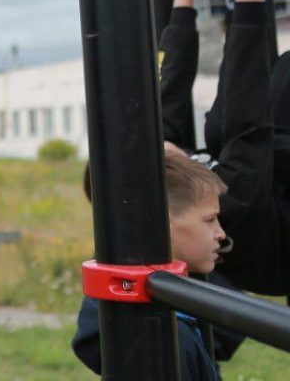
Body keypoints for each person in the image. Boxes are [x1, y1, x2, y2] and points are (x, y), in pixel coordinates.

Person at [156, 0, 288, 295]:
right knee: (249, 116)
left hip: (269, 198)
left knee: (219, 128)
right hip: (279, 257)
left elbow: (171, 85)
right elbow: (248, 110)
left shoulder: (165, 167)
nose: (165, 145)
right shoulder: (231, 203)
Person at [73, 148, 229, 379]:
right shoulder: (166, 339)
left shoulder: (166, 320)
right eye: (210, 219)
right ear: (160, 223)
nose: (221, 234)